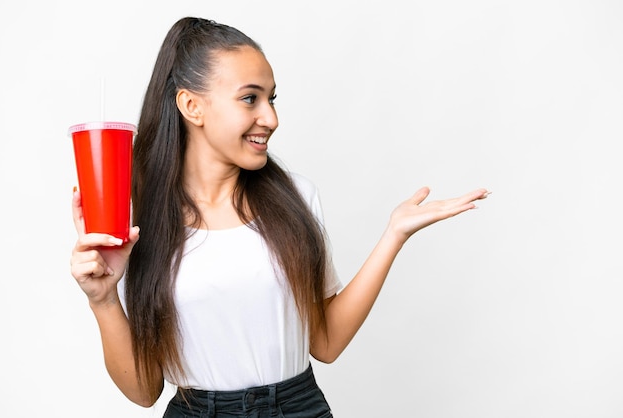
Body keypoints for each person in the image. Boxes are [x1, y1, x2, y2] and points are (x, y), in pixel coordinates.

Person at [69, 16, 490, 418]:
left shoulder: (295, 199)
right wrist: (103, 299)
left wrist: (393, 235)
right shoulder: (138, 220)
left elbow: (325, 343)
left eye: (271, 99)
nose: (270, 118)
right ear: (191, 106)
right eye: (250, 98)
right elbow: (143, 392)